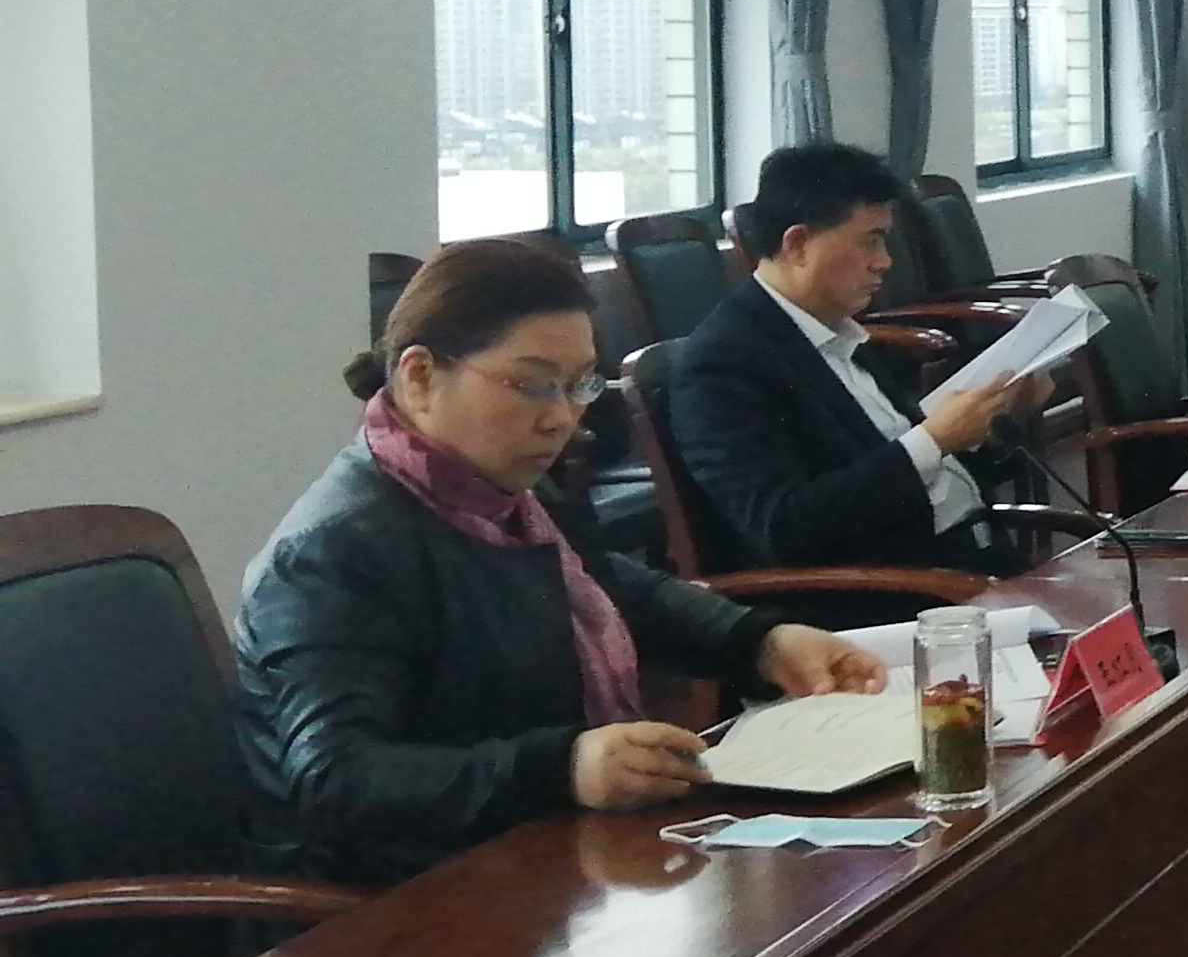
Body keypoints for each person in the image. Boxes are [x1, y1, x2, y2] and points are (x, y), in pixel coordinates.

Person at [237, 238, 885, 886]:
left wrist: (759, 642)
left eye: (578, 385)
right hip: (396, 902)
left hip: (527, 849)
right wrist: (561, 767)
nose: (561, 419)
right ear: (420, 376)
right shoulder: (331, 551)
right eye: (531, 385)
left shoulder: (504, 492)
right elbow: (335, 777)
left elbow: (613, 584)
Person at [662, 141, 1050, 611]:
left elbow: (919, 480)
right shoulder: (725, 363)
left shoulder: (840, 333)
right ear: (797, 244)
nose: (884, 261)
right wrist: (933, 440)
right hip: (894, 600)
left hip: (972, 565)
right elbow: (784, 528)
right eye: (869, 241)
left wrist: (993, 430)